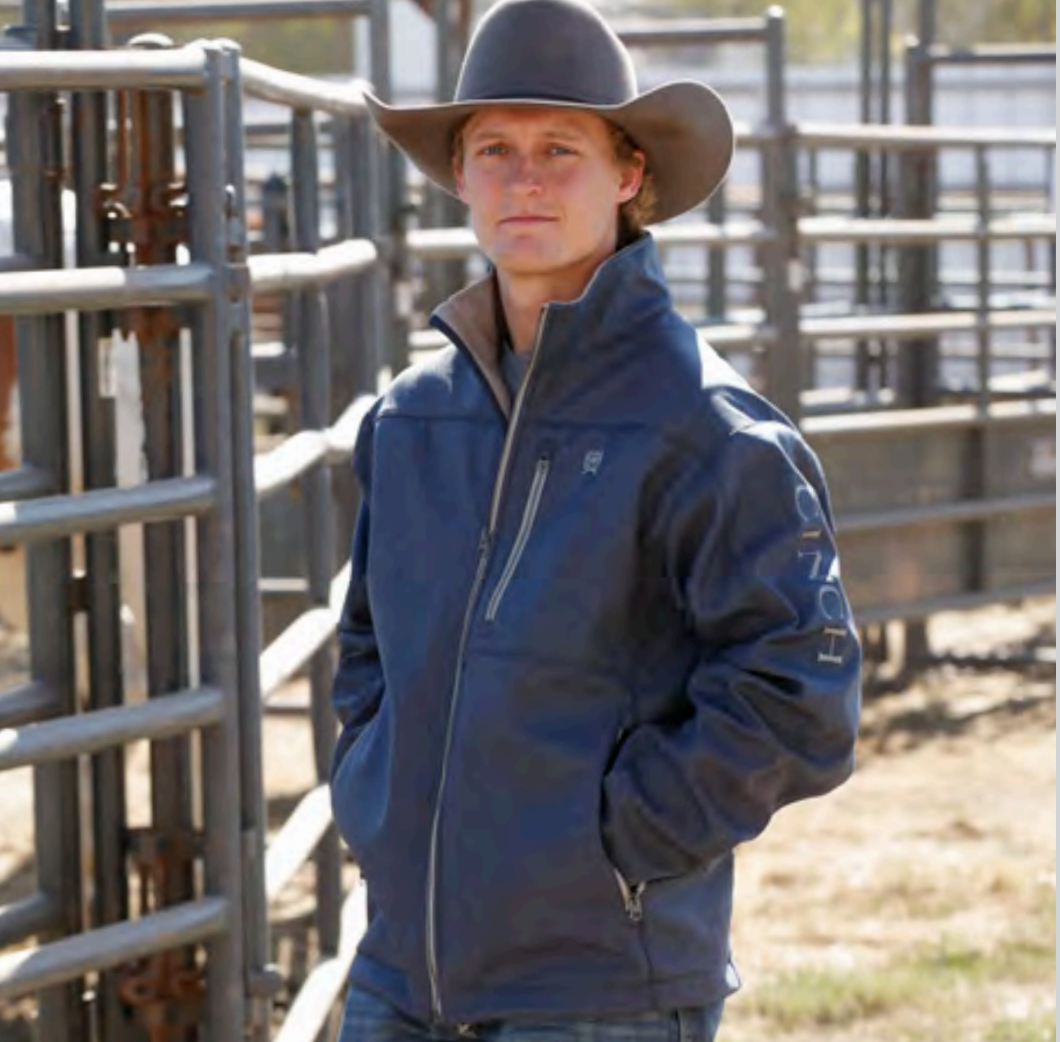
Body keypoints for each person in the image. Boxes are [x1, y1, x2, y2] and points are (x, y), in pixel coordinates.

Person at [329, 0, 863, 1039]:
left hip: (599, 990)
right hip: (399, 975)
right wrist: (373, 794)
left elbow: (801, 696)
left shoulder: (705, 429)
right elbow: (366, 653)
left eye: (559, 149)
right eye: (494, 149)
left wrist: (607, 841)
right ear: (459, 175)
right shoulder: (411, 420)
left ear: (628, 174)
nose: (523, 179)